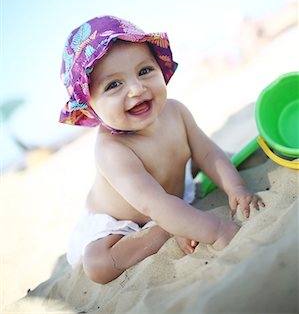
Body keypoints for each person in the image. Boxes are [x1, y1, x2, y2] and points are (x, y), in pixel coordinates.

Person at [59, 15, 264, 284]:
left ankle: (177, 219)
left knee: (222, 159)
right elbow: (154, 204)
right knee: (97, 265)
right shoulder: (112, 150)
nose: (136, 88)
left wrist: (236, 188)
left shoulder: (176, 112)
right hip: (123, 220)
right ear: (89, 107)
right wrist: (216, 230)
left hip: (171, 195)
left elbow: (207, 154)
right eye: (113, 85)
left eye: (144, 71)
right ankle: (165, 231)